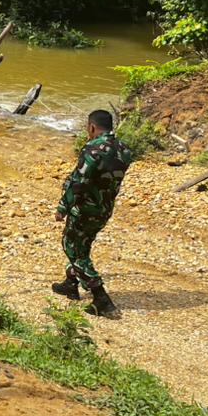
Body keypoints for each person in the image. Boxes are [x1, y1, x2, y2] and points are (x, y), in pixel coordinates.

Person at [53, 109, 132, 319]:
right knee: (83, 244)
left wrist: (63, 207)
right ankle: (71, 283)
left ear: (92, 127)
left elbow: (79, 182)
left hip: (86, 208)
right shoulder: (124, 149)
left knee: (71, 246)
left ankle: (101, 298)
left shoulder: (93, 148)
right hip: (104, 208)